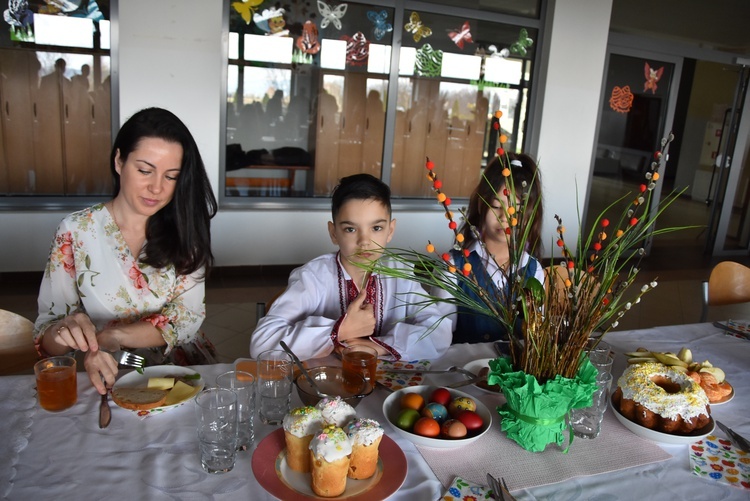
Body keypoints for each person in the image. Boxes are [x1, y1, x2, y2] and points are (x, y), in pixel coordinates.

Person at [34, 107, 218, 394]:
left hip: (180, 371)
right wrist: (66, 330)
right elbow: (47, 336)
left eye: (171, 176)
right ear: (119, 161)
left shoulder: (186, 229)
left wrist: (111, 335)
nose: (156, 187)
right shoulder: (76, 231)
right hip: (108, 370)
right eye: (145, 170)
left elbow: (187, 316)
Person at [250, 173, 452, 361]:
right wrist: (340, 330)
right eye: (350, 229)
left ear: (390, 230)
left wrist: (378, 347)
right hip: (327, 385)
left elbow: (440, 332)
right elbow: (262, 344)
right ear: (333, 232)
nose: (364, 241)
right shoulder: (312, 277)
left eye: (376, 228)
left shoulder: (402, 275)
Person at [448, 153, 546, 345]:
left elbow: (535, 335)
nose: (504, 217)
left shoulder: (534, 270)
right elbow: (439, 337)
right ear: (481, 204)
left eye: (516, 210)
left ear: (530, 215)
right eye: (496, 205)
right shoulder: (454, 266)